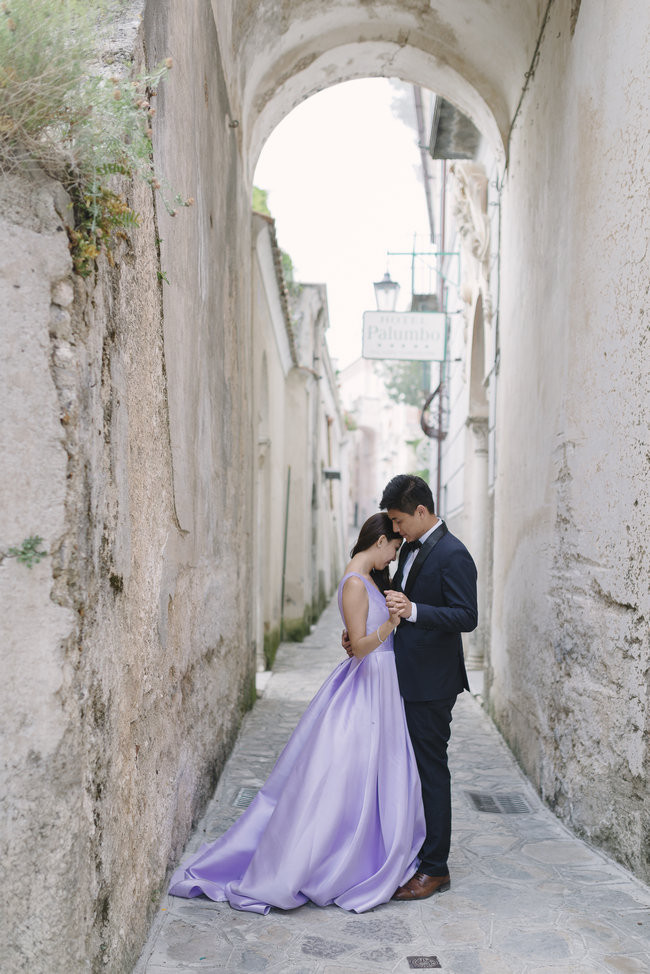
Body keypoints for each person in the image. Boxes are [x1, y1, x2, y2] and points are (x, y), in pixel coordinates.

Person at [168, 513, 425, 914]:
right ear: (379, 542)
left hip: (381, 684)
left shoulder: (367, 581)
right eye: (393, 549)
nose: (392, 557)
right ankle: (337, 857)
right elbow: (358, 646)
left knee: (373, 769)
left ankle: (365, 848)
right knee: (349, 772)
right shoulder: (356, 583)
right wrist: (391, 623)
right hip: (370, 681)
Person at [344, 474, 477, 900]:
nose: (396, 531)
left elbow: (466, 616)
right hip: (405, 676)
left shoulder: (454, 554)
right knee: (411, 768)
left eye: (400, 521)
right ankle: (414, 849)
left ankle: (435, 868)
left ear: (421, 512)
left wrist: (417, 610)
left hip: (433, 682)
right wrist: (360, 632)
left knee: (430, 769)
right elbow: (391, 602)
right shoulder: (416, 549)